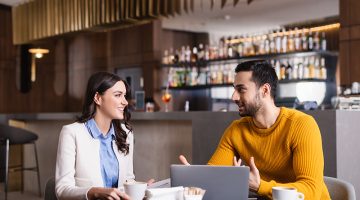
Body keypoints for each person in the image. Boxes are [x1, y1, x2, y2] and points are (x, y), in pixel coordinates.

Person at [180, 60, 330, 199]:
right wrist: (196, 177)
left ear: (264, 90)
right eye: (234, 89)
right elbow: (213, 172)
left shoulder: (302, 125)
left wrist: (260, 186)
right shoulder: (236, 130)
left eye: (241, 90)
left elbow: (311, 190)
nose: (234, 97)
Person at [56, 72, 152, 200]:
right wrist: (94, 192)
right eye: (118, 95)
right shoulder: (71, 133)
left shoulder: (126, 133)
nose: (125, 102)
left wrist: (142, 189)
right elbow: (62, 190)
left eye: (124, 96)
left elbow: (128, 180)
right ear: (98, 98)